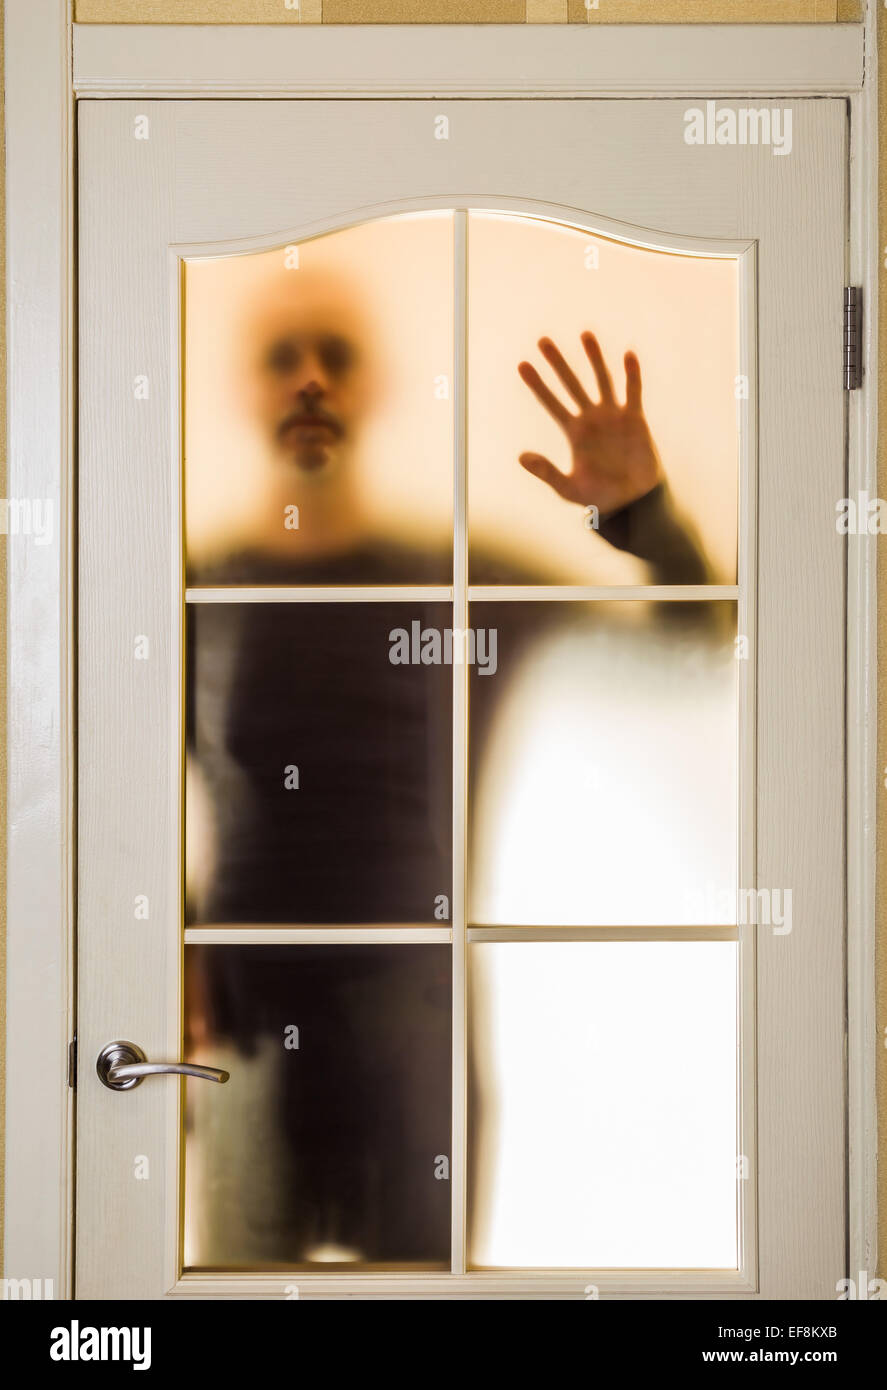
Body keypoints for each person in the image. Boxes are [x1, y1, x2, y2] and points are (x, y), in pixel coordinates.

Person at [183, 269, 716, 1269]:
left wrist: (641, 514)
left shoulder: (457, 578)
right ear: (244, 388)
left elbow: (697, 638)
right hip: (246, 1032)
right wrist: (162, 941)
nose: (308, 379)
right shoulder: (192, 588)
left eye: (333, 355)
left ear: (370, 384)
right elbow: (97, 777)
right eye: (279, 357)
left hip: (413, 1033)